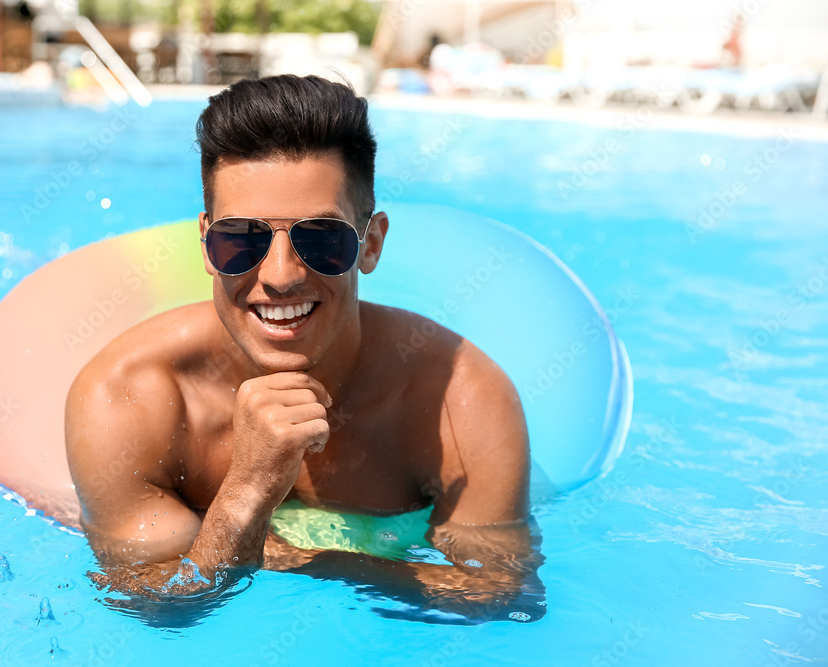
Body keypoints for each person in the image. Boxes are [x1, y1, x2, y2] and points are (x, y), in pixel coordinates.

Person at [65, 74, 543, 620]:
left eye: (322, 238)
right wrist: (246, 490)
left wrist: (300, 560)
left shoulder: (459, 399)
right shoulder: (128, 396)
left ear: (372, 244)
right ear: (205, 244)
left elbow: (501, 596)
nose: (281, 276)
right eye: (241, 238)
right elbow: (154, 606)